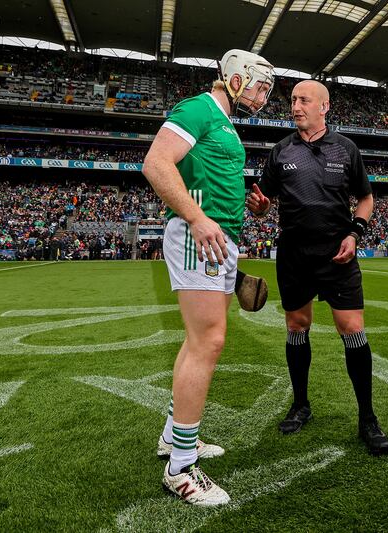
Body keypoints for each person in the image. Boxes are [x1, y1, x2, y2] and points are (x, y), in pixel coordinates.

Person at [142, 49, 274, 506]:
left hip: (217, 240)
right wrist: (198, 219)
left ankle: (174, 439)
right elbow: (156, 164)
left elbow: (211, 178)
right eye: (259, 86)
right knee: (208, 343)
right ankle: (180, 469)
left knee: (200, 341)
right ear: (236, 79)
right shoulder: (198, 109)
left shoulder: (222, 121)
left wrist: (248, 205)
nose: (262, 97)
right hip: (200, 237)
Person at [247, 80, 388, 455]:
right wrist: (260, 207)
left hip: (337, 253)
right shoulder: (280, 152)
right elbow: (262, 202)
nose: (295, 106)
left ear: (324, 106)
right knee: (297, 325)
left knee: (352, 328)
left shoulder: (346, 149)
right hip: (294, 253)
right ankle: (301, 405)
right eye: (293, 100)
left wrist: (355, 233)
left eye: (303, 100)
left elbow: (365, 197)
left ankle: (367, 418)